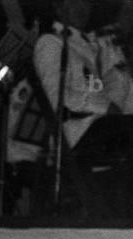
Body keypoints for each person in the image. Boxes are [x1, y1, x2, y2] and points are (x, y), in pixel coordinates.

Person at [34, 0, 133, 151]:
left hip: (103, 130)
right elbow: (56, 99)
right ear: (59, 7)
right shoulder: (50, 42)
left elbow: (97, 88)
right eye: (74, 2)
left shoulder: (85, 46)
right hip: (78, 135)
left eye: (85, 2)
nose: (81, 8)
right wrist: (104, 106)